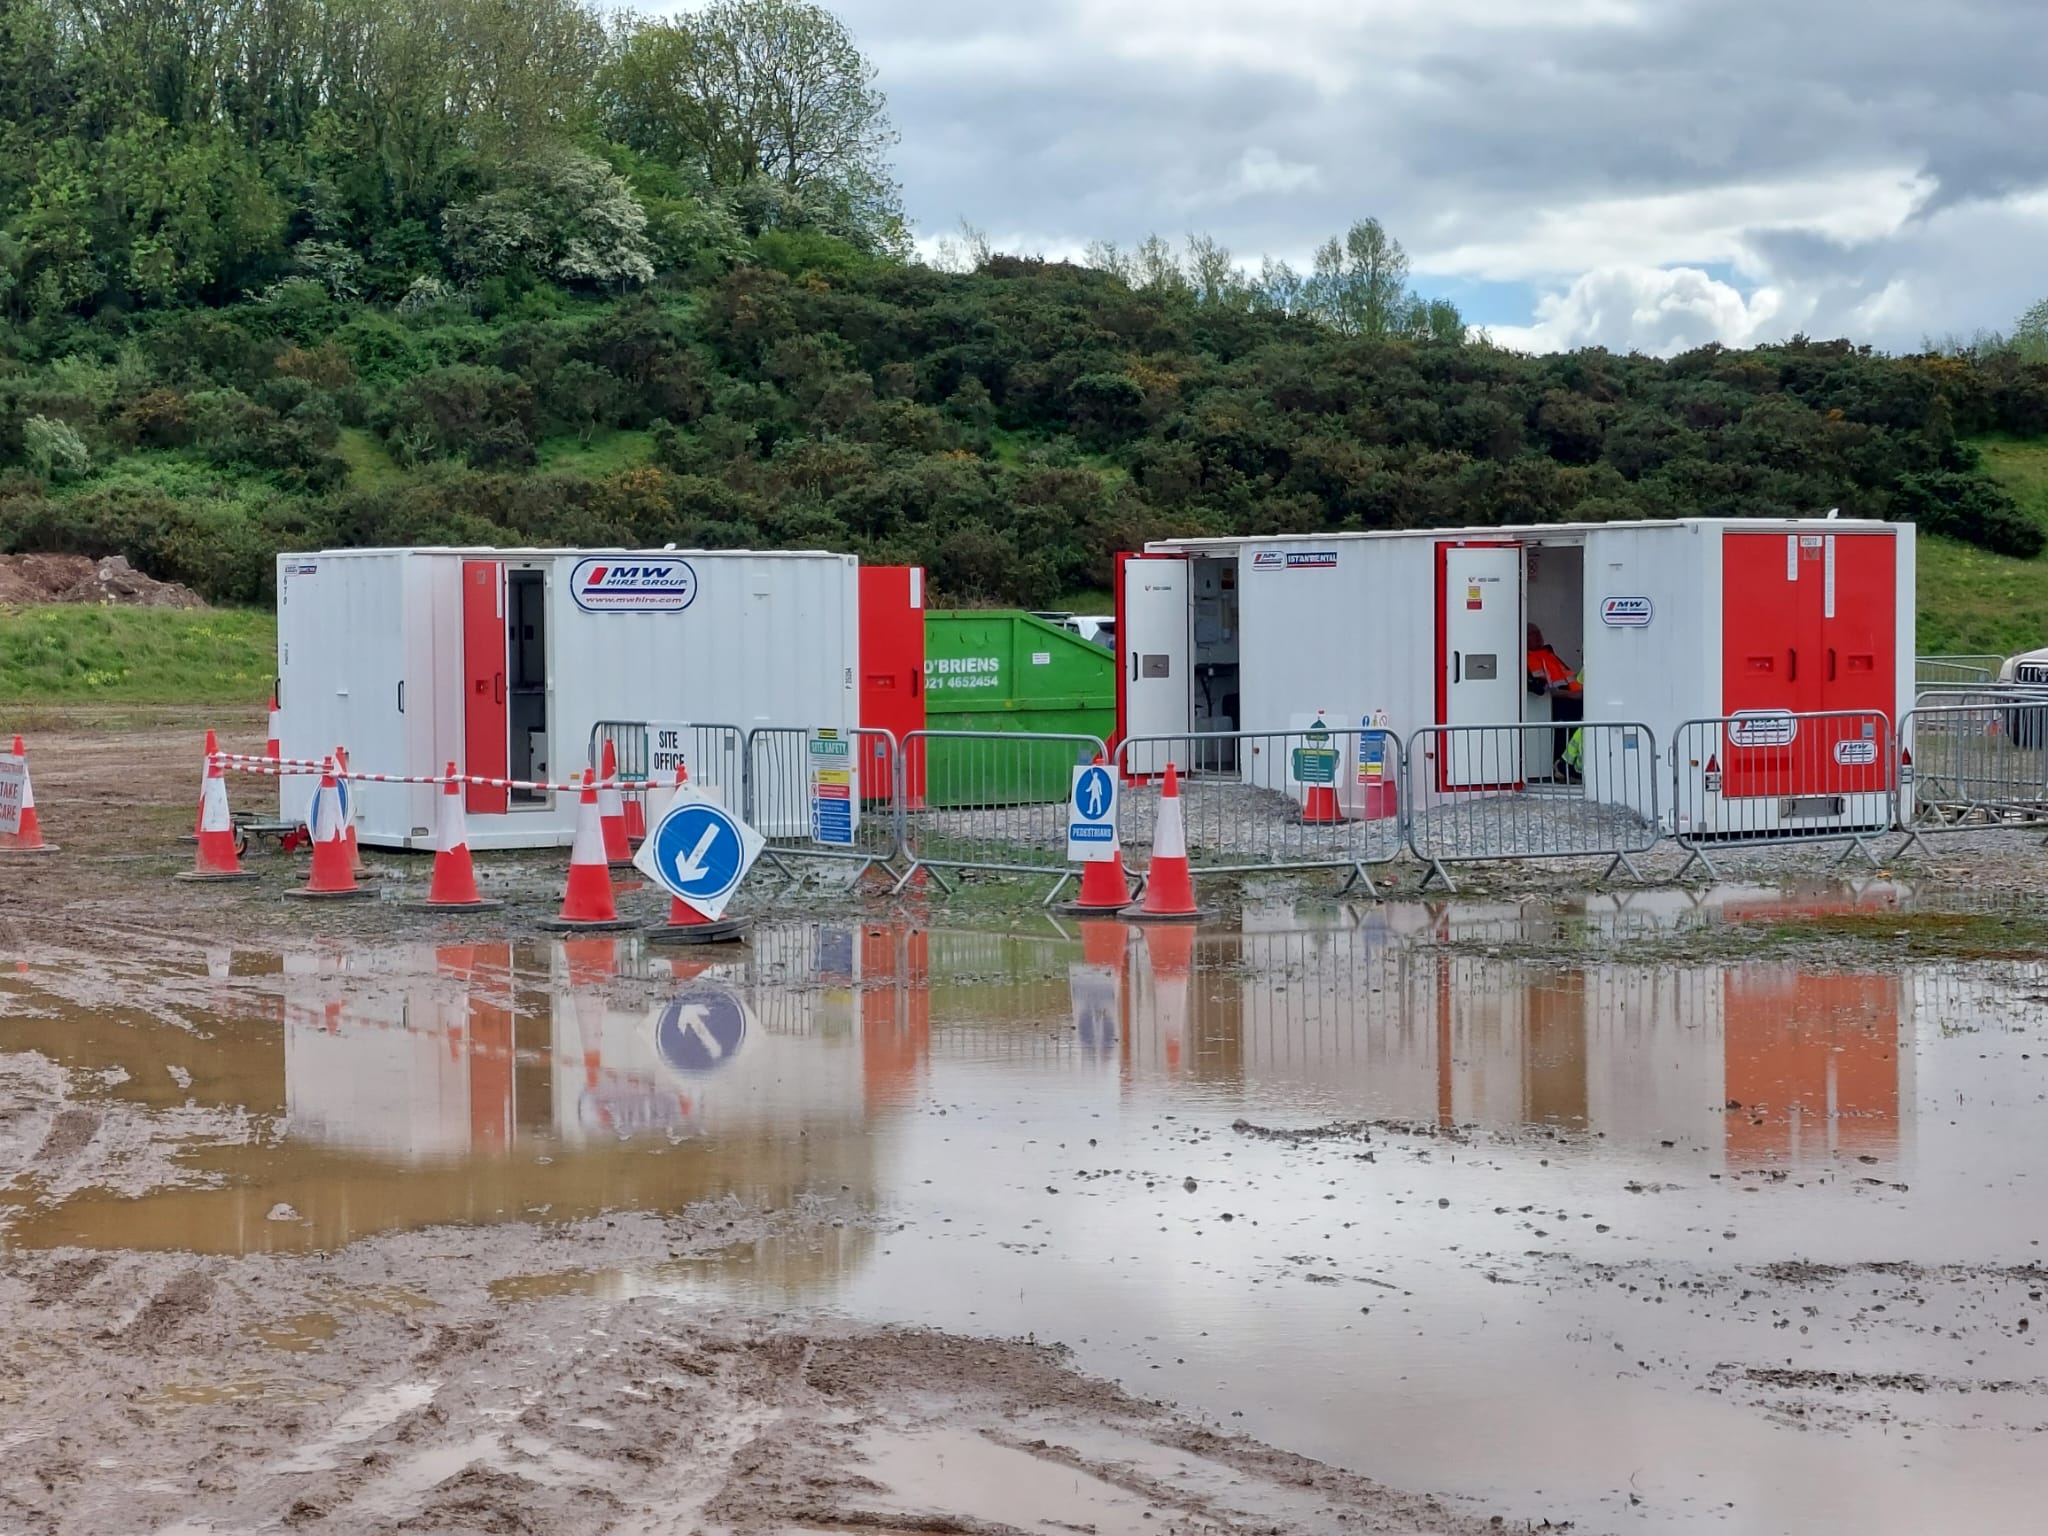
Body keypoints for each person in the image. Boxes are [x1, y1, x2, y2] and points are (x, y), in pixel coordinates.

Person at [1526, 624, 1584, 781]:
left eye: (1538, 632)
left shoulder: (1549, 654)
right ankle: (1563, 767)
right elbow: (1541, 689)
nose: (1537, 636)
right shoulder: (1524, 659)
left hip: (1575, 700)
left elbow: (1572, 678)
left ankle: (1572, 768)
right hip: (1553, 705)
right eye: (1532, 634)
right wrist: (1572, 695)